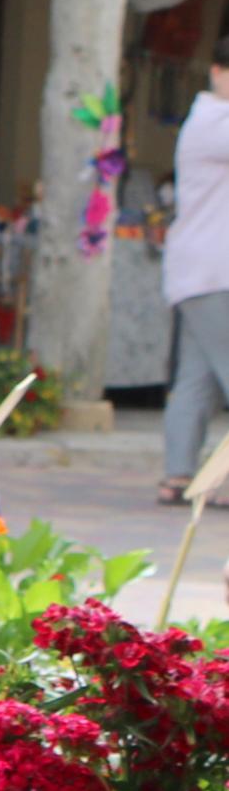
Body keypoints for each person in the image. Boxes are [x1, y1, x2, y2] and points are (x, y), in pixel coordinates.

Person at [165, 42, 229, 502]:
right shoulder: (211, 121)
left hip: (203, 270)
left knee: (195, 379)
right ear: (216, 72)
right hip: (213, 270)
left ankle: (178, 477)